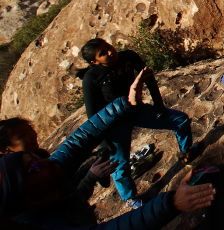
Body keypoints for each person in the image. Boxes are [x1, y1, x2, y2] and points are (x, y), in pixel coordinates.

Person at [0, 70, 215, 229]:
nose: (43, 160)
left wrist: (125, 104)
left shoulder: (45, 174)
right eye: (32, 167)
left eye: (32, 157)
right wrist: (169, 204)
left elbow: (80, 139)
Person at [77, 38, 196, 209]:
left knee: (180, 120)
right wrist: (104, 142)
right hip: (114, 123)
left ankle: (186, 152)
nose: (110, 52)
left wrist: (159, 105)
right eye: (103, 53)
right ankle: (131, 198)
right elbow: (92, 113)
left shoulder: (128, 56)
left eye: (108, 47)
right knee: (119, 163)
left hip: (136, 110)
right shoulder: (91, 78)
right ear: (94, 62)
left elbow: (149, 79)